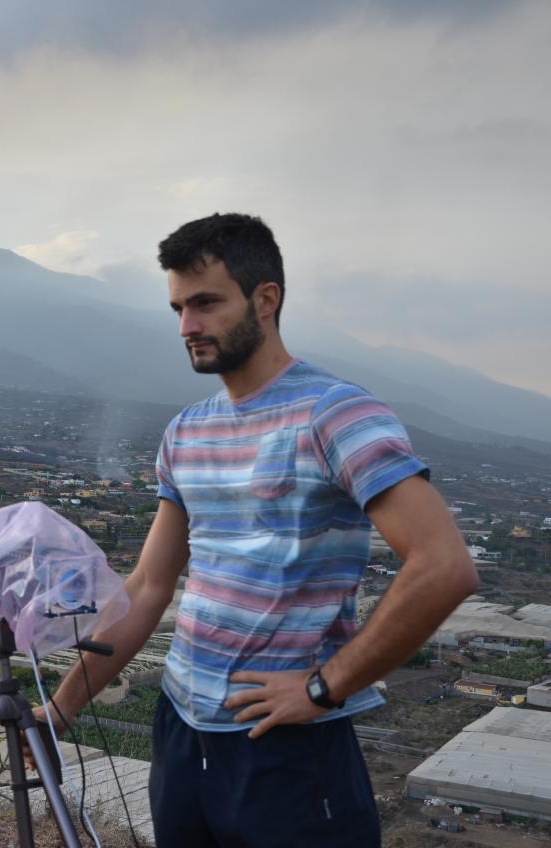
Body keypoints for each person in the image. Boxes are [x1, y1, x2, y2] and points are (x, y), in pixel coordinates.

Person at [35, 213, 477, 847]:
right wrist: (62, 706)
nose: (188, 326)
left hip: (288, 746)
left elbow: (444, 564)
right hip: (182, 731)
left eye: (207, 303)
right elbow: (152, 585)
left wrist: (326, 687)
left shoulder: (335, 412)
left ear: (265, 298)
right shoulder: (187, 430)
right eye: (178, 308)